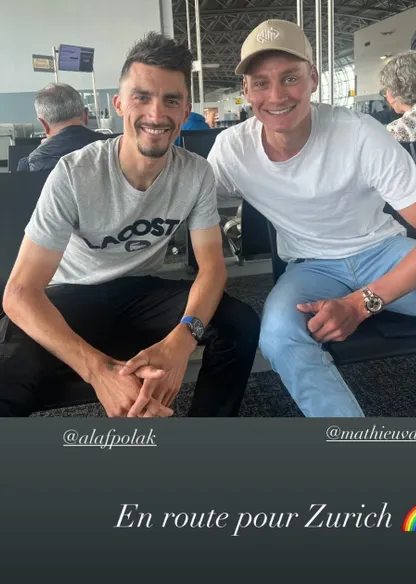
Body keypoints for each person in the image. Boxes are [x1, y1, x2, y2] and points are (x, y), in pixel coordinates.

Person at [207, 18, 416, 418]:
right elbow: (186, 201)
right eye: (260, 82)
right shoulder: (231, 150)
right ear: (245, 90)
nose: (275, 96)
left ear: (312, 78)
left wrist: (362, 304)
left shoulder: (358, 133)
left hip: (383, 251)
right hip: (311, 269)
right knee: (278, 336)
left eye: (290, 78)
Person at [1, 32, 260, 418]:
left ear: (185, 109)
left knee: (239, 323)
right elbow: (19, 294)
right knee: (7, 365)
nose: (156, 114)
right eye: (142, 97)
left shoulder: (196, 173)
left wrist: (182, 340)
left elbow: (212, 268)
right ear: (119, 104)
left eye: (171, 100)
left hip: (142, 293)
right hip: (73, 295)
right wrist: (99, 372)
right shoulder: (75, 173)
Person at [17, 83, 105, 172]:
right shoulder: (111, 147)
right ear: (86, 115)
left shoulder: (30, 164)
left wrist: (44, 147)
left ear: (44, 124)